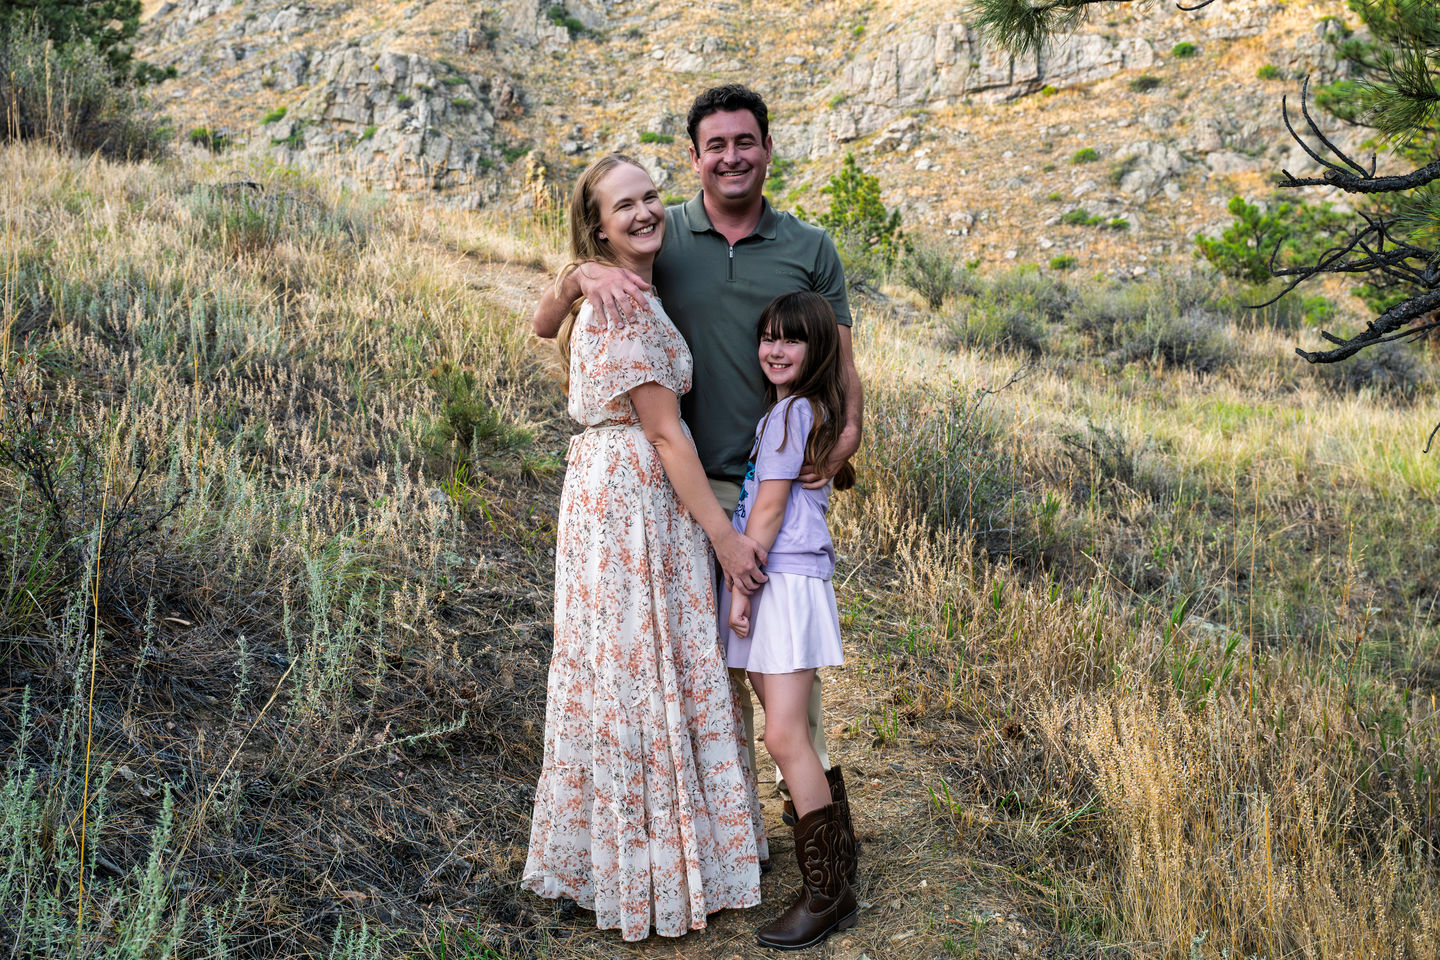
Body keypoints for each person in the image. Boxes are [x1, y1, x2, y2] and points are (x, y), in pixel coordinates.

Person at [529, 83, 863, 835]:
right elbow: (546, 320)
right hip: (678, 492)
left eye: (746, 142)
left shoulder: (810, 247)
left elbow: (843, 368)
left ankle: (823, 847)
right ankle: (725, 835)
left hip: (768, 487)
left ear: (768, 150)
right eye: (716, 146)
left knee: (784, 681)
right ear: (695, 157)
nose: (732, 157)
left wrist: (841, 446)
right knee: (699, 672)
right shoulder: (662, 233)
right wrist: (580, 273)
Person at [521, 153, 769, 942]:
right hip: (632, 497)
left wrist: (574, 278)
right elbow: (665, 433)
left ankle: (643, 852)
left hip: (617, 496)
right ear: (598, 224)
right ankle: (650, 865)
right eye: (623, 204)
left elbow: (540, 324)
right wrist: (727, 539)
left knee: (635, 661)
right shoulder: (622, 302)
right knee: (644, 662)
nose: (644, 212)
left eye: (652, 196)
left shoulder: (633, 289)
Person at [721, 291, 859, 950]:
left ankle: (826, 892)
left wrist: (742, 591)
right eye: (768, 337)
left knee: (782, 735)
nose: (775, 350)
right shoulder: (804, 411)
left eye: (792, 340)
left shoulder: (789, 416)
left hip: (780, 578)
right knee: (788, 723)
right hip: (789, 578)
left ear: (816, 349)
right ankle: (837, 859)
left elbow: (768, 512)